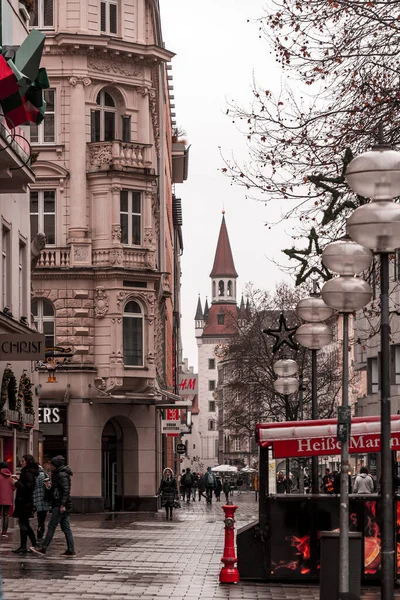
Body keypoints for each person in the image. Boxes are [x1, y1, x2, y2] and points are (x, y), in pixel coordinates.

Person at [30, 455, 75, 557]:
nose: (50, 465)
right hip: (61, 504)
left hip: (59, 504)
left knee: (51, 526)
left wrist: (62, 504)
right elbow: (58, 490)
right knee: (66, 528)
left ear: (56, 465)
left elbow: (65, 491)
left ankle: (43, 548)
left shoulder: (61, 475)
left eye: (51, 464)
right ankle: (71, 550)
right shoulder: (58, 474)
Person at [12, 454, 38, 554]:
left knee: (23, 523)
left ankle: (24, 546)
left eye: (23, 461)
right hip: (25, 501)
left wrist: (16, 483)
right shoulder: (28, 473)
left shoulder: (27, 473)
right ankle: (34, 544)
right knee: (25, 523)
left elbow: (27, 488)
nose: (21, 463)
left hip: (24, 502)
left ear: (27, 462)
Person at [33, 463, 51, 541]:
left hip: (36, 498)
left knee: (39, 516)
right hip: (45, 499)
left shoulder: (34, 476)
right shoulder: (45, 475)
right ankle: (41, 530)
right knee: (42, 518)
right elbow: (49, 486)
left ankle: (39, 529)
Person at [0, 461, 14, 537]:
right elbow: (14, 488)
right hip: (8, 499)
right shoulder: (11, 476)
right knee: (6, 515)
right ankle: (4, 532)